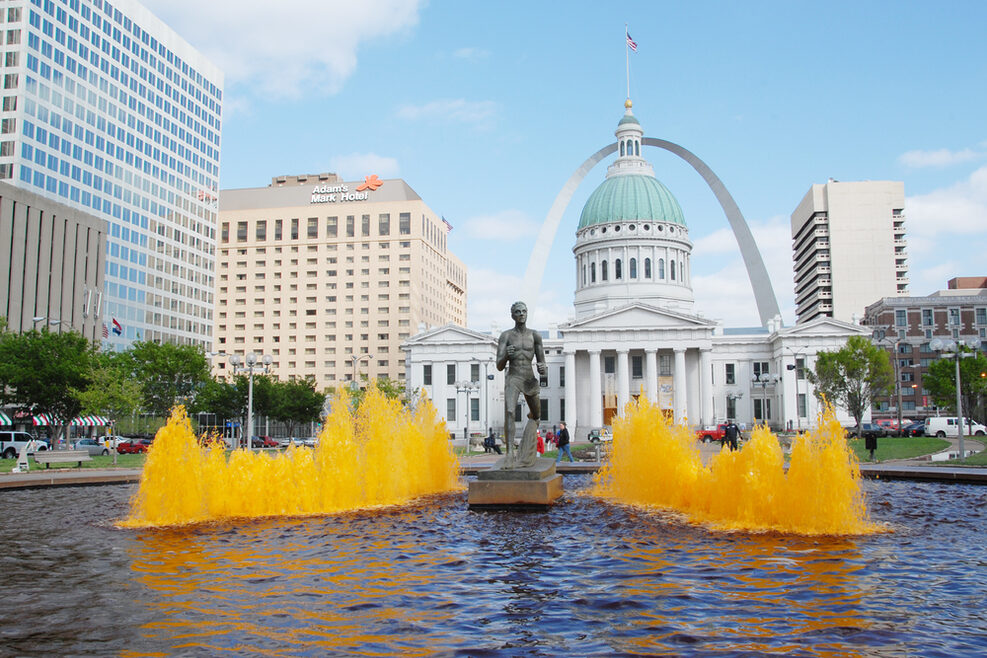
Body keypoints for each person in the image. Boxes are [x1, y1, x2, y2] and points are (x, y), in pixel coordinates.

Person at [495, 301, 547, 468]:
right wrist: (506, 356)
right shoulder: (506, 336)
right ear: (512, 315)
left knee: (536, 415)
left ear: (527, 313)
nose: (521, 314)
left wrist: (542, 369)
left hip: (529, 378)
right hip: (513, 377)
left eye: (524, 311)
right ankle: (509, 454)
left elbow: (542, 364)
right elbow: (499, 365)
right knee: (510, 411)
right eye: (518, 312)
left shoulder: (535, 336)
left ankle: (527, 446)